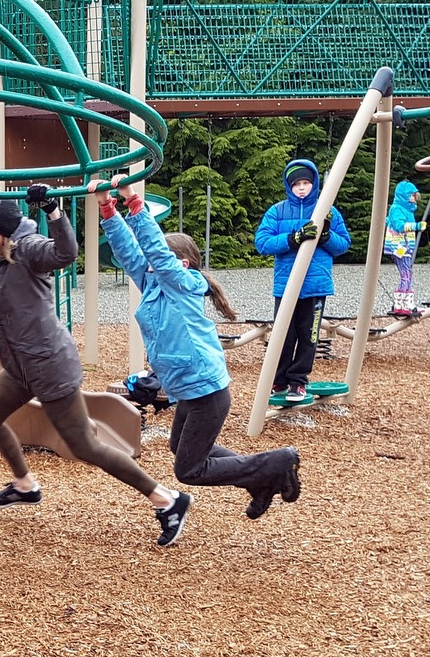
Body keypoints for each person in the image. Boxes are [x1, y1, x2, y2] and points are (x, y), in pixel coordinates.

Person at [0, 182, 192, 547]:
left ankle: (167, 499)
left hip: (50, 366)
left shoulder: (28, 249)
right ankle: (25, 485)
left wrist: (53, 211)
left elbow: (65, 252)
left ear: (8, 235)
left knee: (84, 446)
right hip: (19, 367)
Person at [89, 174, 302, 521]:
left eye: (159, 260)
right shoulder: (153, 283)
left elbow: (155, 251)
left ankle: (276, 462)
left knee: (189, 469)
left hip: (205, 391)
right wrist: (107, 208)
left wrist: (133, 201)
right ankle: (260, 480)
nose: (149, 263)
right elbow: (129, 253)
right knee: (180, 447)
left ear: (182, 264)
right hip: (190, 389)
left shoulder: (183, 283)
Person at [254, 159, 351, 403]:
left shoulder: (326, 210)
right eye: (296, 184)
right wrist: (293, 238)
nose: (301, 188)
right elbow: (262, 243)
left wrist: (326, 236)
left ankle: (298, 381)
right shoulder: (277, 211)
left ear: (314, 184)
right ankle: (279, 379)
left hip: (315, 286)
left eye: (306, 183)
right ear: (289, 186)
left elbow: (343, 245)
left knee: (309, 336)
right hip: (286, 285)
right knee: (283, 335)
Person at [384, 180, 426, 316]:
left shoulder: (406, 210)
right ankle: (402, 304)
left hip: (405, 247)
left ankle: (407, 303)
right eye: (411, 196)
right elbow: (399, 226)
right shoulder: (397, 208)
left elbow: (389, 221)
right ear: (404, 196)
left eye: (414, 196)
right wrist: (417, 226)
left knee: (408, 274)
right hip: (399, 247)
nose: (414, 198)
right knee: (406, 274)